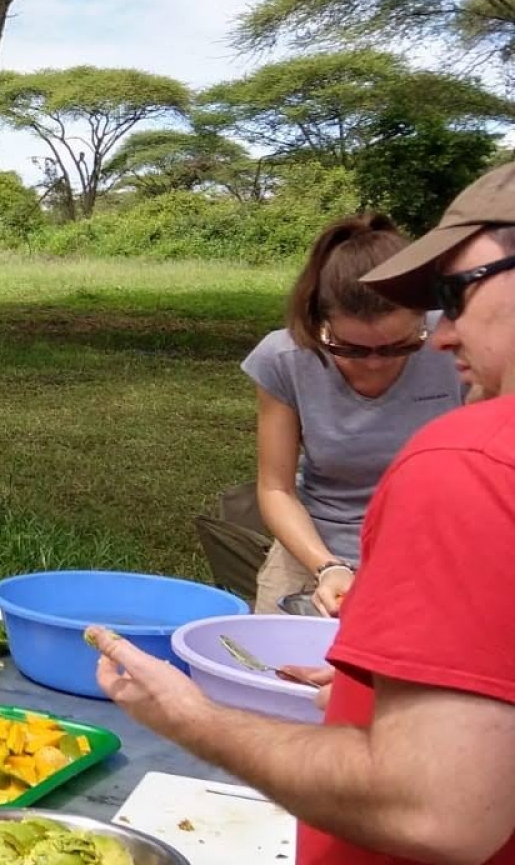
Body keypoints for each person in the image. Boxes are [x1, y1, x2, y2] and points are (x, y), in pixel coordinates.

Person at [93, 161, 515, 865]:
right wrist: (359, 681)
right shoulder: (286, 362)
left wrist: (191, 716)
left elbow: (434, 811)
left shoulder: (467, 462)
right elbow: (276, 487)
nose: (443, 337)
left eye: (455, 293)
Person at [245, 214, 464, 616]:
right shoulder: (286, 358)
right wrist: (327, 567)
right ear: (318, 321)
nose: (376, 363)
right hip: (315, 549)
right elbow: (276, 489)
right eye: (351, 349)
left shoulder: (457, 345)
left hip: (438, 552)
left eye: (401, 346)